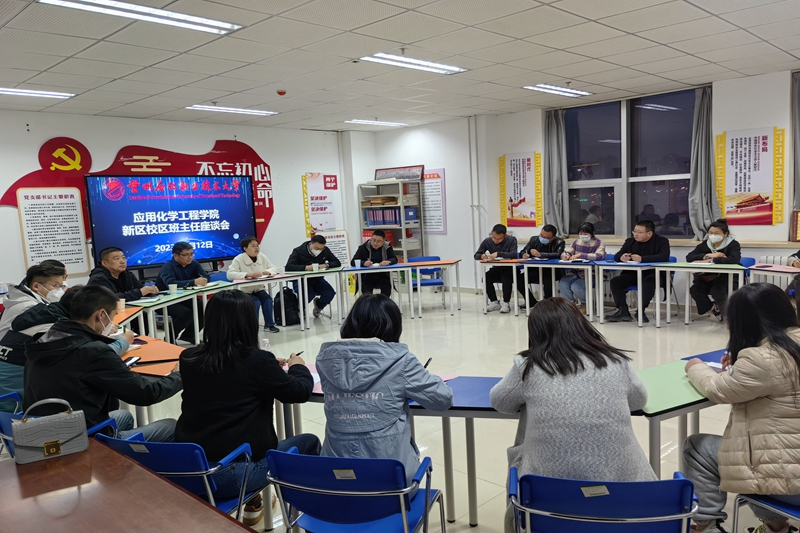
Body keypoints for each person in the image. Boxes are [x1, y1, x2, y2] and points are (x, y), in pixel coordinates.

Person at [490, 298, 655, 533]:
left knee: (521, 453)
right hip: (626, 499)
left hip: (545, 503)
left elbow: (500, 402)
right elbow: (639, 401)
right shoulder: (615, 360)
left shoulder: (528, 366)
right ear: (581, 324)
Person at [175, 290, 319, 526]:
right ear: (248, 322)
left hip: (190, 469)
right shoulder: (257, 361)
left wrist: (269, 367)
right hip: (232, 475)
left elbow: (226, 377)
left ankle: (254, 503)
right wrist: (297, 366)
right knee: (309, 442)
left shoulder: (189, 357)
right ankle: (309, 519)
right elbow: (299, 392)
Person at [683, 284, 800, 533]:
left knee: (697, 447)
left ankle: (705, 526)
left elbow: (716, 389)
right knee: (766, 451)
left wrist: (695, 366)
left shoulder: (762, 359)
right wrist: (740, 364)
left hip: (794, 486)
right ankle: (775, 526)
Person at [316, 294, 453, 484]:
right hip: (392, 485)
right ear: (393, 326)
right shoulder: (401, 361)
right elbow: (443, 399)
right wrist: (427, 378)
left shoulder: (326, 360)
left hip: (336, 483)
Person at [24, 285, 182, 441]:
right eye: (112, 317)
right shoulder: (93, 351)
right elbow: (146, 394)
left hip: (44, 429)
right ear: (101, 315)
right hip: (79, 438)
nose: (112, 323)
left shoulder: (46, 339)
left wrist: (115, 370)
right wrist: (179, 375)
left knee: (124, 416)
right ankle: (114, 449)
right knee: (171, 426)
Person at [0, 286, 131, 411]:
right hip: (20, 408)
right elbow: (93, 356)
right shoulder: (55, 328)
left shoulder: (37, 315)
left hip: (10, 400)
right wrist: (123, 341)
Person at [0, 264, 67, 408]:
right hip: (14, 372)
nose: (60, 290)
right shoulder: (29, 308)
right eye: (56, 285)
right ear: (36, 286)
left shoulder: (22, 299)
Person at [606, 220, 670, 323]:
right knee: (615, 281)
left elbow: (664, 257)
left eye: (639, 232)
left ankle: (641, 311)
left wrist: (642, 259)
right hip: (634, 274)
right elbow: (617, 255)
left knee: (649, 281)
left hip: (654, 274)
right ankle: (623, 311)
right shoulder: (630, 242)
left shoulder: (662, 241)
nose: (636, 234)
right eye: (634, 231)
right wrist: (622, 257)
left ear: (649, 233)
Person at [88, 247, 160, 333]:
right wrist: (140, 292)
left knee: (144, 316)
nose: (122, 261)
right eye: (116, 259)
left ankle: (138, 339)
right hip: (104, 316)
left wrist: (150, 290)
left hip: (123, 311)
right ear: (105, 263)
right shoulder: (98, 279)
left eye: (123, 258)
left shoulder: (126, 274)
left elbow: (139, 287)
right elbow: (111, 299)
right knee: (141, 317)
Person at [687, 219, 742, 320]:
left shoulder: (733, 244)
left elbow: (734, 259)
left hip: (726, 278)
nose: (713, 235)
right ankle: (713, 308)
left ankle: (728, 317)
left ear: (725, 234)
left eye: (716, 233)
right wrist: (709, 255)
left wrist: (712, 260)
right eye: (711, 233)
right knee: (695, 290)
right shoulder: (705, 244)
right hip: (707, 277)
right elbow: (689, 257)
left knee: (717, 291)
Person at [155, 242, 208, 344]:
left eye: (191, 254)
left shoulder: (194, 264)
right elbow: (171, 283)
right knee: (185, 314)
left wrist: (203, 280)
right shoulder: (168, 266)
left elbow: (205, 276)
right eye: (186, 255)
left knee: (203, 307)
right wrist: (194, 282)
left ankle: (188, 335)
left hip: (184, 298)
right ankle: (169, 339)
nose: (190, 257)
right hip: (164, 300)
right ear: (176, 255)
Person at [226, 236, 280, 333]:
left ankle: (269, 325)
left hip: (258, 288)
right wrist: (247, 275)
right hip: (243, 291)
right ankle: (253, 328)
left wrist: (268, 272)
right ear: (245, 248)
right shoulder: (238, 259)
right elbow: (230, 274)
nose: (256, 248)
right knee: (255, 302)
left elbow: (273, 268)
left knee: (267, 300)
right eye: (253, 246)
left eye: (257, 245)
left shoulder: (262, 256)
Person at [285, 234, 341, 318]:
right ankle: (300, 309)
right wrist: (306, 268)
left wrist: (326, 265)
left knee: (329, 293)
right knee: (308, 295)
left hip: (317, 279)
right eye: (317, 248)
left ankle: (319, 306)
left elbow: (337, 262)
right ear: (310, 244)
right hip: (302, 280)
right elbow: (289, 267)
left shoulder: (325, 251)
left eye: (321, 249)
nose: (319, 251)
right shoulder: (298, 251)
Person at [558, 222, 606, 312]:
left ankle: (586, 304)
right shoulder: (576, 242)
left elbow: (599, 256)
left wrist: (581, 255)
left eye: (586, 234)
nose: (583, 236)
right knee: (563, 283)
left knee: (576, 286)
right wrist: (565, 256)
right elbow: (568, 251)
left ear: (593, 233)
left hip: (592, 273)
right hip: (575, 272)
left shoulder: (599, 243)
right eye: (581, 233)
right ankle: (571, 305)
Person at [474, 224, 519, 313]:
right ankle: (494, 302)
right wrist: (481, 256)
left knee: (506, 278)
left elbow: (514, 254)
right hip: (497, 268)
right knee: (486, 277)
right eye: (494, 237)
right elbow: (476, 255)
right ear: (492, 233)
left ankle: (506, 303)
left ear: (505, 235)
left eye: (499, 239)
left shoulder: (511, 240)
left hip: (510, 269)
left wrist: (498, 254)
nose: (496, 240)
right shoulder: (487, 241)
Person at [518, 224, 565, 306]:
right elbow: (524, 250)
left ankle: (547, 305)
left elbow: (558, 254)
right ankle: (531, 301)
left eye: (546, 237)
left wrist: (540, 254)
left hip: (552, 271)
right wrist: (524, 254)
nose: (543, 238)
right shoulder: (534, 239)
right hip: (535, 270)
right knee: (519, 279)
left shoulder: (559, 242)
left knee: (548, 280)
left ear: (553, 238)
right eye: (541, 235)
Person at [350, 229, 398, 296]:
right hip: (367, 275)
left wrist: (388, 262)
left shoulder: (387, 246)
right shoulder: (363, 247)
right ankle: (369, 303)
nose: (375, 243)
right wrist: (363, 263)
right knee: (366, 291)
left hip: (383, 274)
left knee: (386, 287)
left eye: (379, 241)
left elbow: (394, 259)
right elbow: (353, 262)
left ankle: (382, 302)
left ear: (383, 241)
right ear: (371, 238)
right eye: (374, 240)